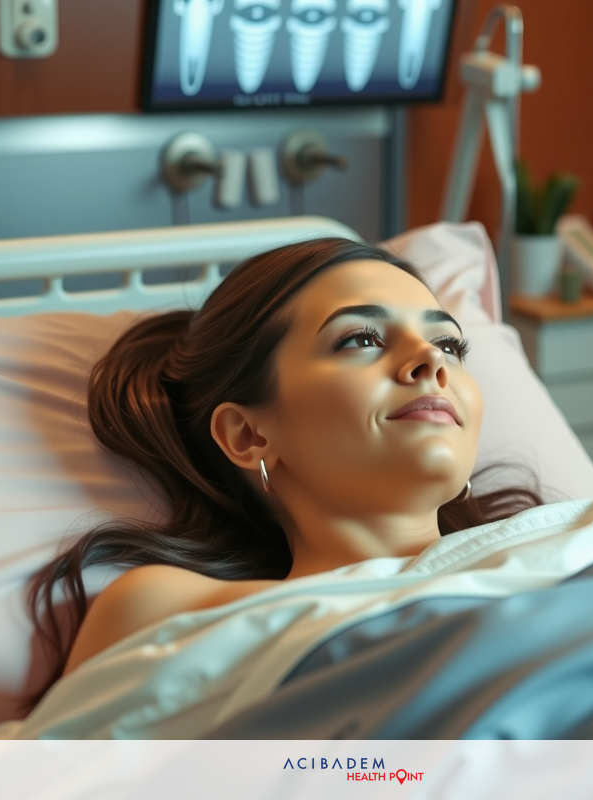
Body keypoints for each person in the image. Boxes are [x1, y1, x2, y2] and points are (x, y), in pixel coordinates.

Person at [27, 237, 541, 702]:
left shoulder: (566, 550)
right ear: (248, 436)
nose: (432, 362)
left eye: (448, 344)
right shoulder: (169, 613)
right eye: (361, 339)